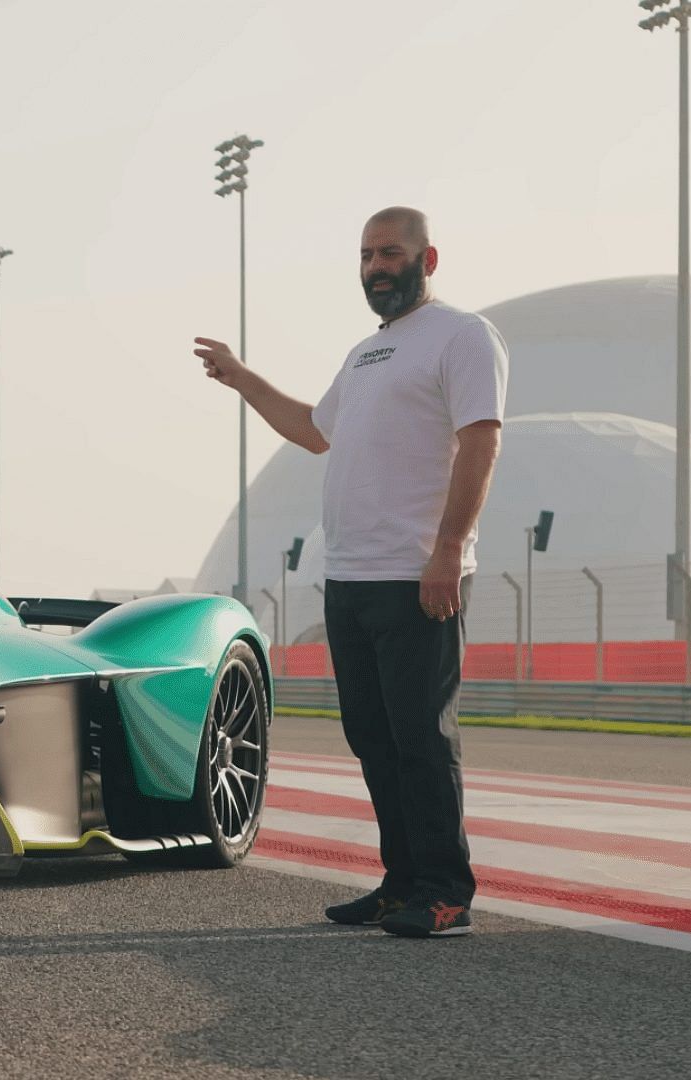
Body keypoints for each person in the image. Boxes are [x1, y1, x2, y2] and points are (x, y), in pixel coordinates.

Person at [194, 206, 509, 938]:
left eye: (391, 253)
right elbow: (314, 431)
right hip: (352, 577)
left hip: (417, 574)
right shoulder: (369, 352)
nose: (376, 267)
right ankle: (401, 885)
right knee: (373, 737)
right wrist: (243, 378)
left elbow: (480, 443)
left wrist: (447, 550)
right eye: (367, 254)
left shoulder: (462, 336)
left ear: (428, 260)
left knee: (423, 738)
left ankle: (443, 891)